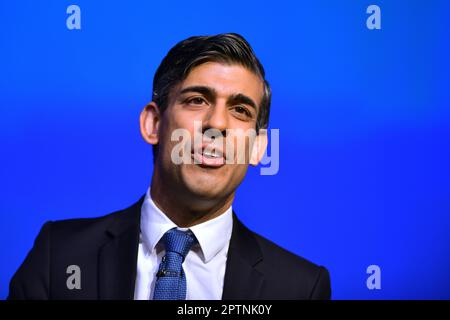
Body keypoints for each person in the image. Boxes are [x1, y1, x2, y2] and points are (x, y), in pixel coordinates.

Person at [8, 33, 331, 300]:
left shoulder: (299, 288)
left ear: (258, 147)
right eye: (197, 100)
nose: (217, 123)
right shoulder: (60, 256)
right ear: (153, 123)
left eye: (240, 110)